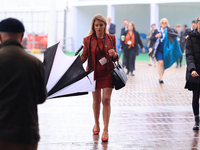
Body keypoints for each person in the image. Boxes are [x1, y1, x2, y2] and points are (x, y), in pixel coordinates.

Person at [0, 18, 47, 150]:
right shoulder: (35, 63)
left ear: (0, 36)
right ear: (22, 37)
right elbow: (41, 98)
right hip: (26, 135)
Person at [80, 14, 119, 142]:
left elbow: (116, 58)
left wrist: (114, 54)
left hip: (108, 73)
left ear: (104, 25)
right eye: (96, 25)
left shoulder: (111, 38)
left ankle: (106, 129)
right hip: (93, 74)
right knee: (96, 101)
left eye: (101, 25)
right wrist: (73, 64)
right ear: (93, 26)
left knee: (106, 100)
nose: (98, 28)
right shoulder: (88, 40)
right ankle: (96, 123)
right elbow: (84, 56)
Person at [149, 18, 182, 84]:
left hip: (166, 49)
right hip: (159, 49)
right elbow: (152, 38)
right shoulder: (157, 30)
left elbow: (174, 37)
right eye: (162, 23)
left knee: (163, 64)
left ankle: (161, 77)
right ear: (160, 23)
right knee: (160, 62)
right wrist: (156, 36)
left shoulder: (169, 31)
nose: (164, 24)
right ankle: (160, 78)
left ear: (167, 24)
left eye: (165, 23)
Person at [185, 16, 200, 130]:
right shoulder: (191, 37)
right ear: (197, 23)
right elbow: (189, 55)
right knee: (195, 97)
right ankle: (196, 120)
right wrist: (192, 69)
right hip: (195, 70)